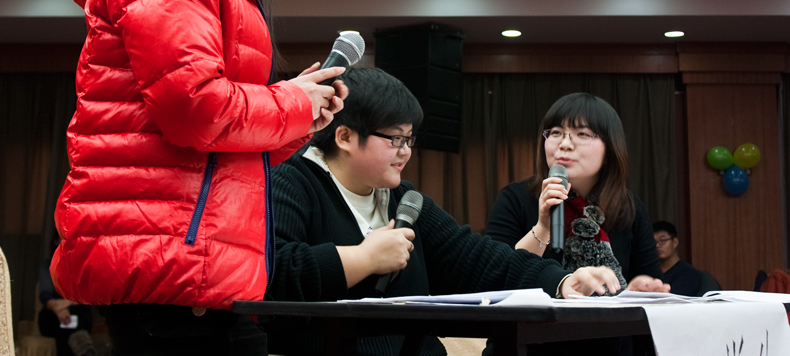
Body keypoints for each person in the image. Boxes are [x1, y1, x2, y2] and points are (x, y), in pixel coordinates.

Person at [50, 0, 347, 354]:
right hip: (169, 265)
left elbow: (213, 141)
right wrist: (291, 102)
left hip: (181, 263)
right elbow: (195, 109)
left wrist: (299, 115)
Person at [266, 68, 622, 356]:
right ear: (344, 137)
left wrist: (560, 281)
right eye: (395, 139)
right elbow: (273, 273)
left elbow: (480, 259)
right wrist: (363, 259)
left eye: (409, 139)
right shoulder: (290, 183)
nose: (405, 151)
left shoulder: (404, 198)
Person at [485, 92, 667, 355]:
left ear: (610, 148)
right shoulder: (515, 199)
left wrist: (639, 288)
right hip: (528, 346)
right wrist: (543, 227)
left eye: (582, 134)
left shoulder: (628, 206)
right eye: (555, 132)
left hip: (609, 347)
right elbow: (496, 278)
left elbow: (646, 275)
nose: (564, 144)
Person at [39, 234, 95, 356]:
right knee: (68, 322)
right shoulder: (48, 266)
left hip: (78, 315)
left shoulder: (81, 266)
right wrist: (57, 309)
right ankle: (86, 351)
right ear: (56, 241)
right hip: (52, 316)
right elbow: (45, 295)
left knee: (70, 321)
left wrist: (66, 303)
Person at [652, 221, 702, 296]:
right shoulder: (650, 272)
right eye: (653, 242)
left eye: (662, 241)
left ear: (675, 242)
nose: (657, 245)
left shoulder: (688, 274)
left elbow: (675, 300)